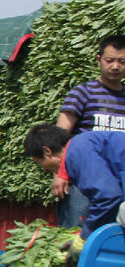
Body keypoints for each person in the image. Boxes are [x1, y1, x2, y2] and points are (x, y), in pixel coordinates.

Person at [53, 34, 125, 227]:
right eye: (110, 60)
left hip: (118, 184)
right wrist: (60, 174)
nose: (116, 66)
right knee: (74, 233)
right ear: (99, 59)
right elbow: (61, 136)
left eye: (122, 61)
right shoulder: (83, 93)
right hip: (81, 183)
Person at [25, 123, 125, 235]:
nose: (44, 168)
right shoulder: (81, 146)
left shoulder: (77, 152)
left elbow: (108, 196)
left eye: (39, 162)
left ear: (47, 151)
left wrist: (84, 237)